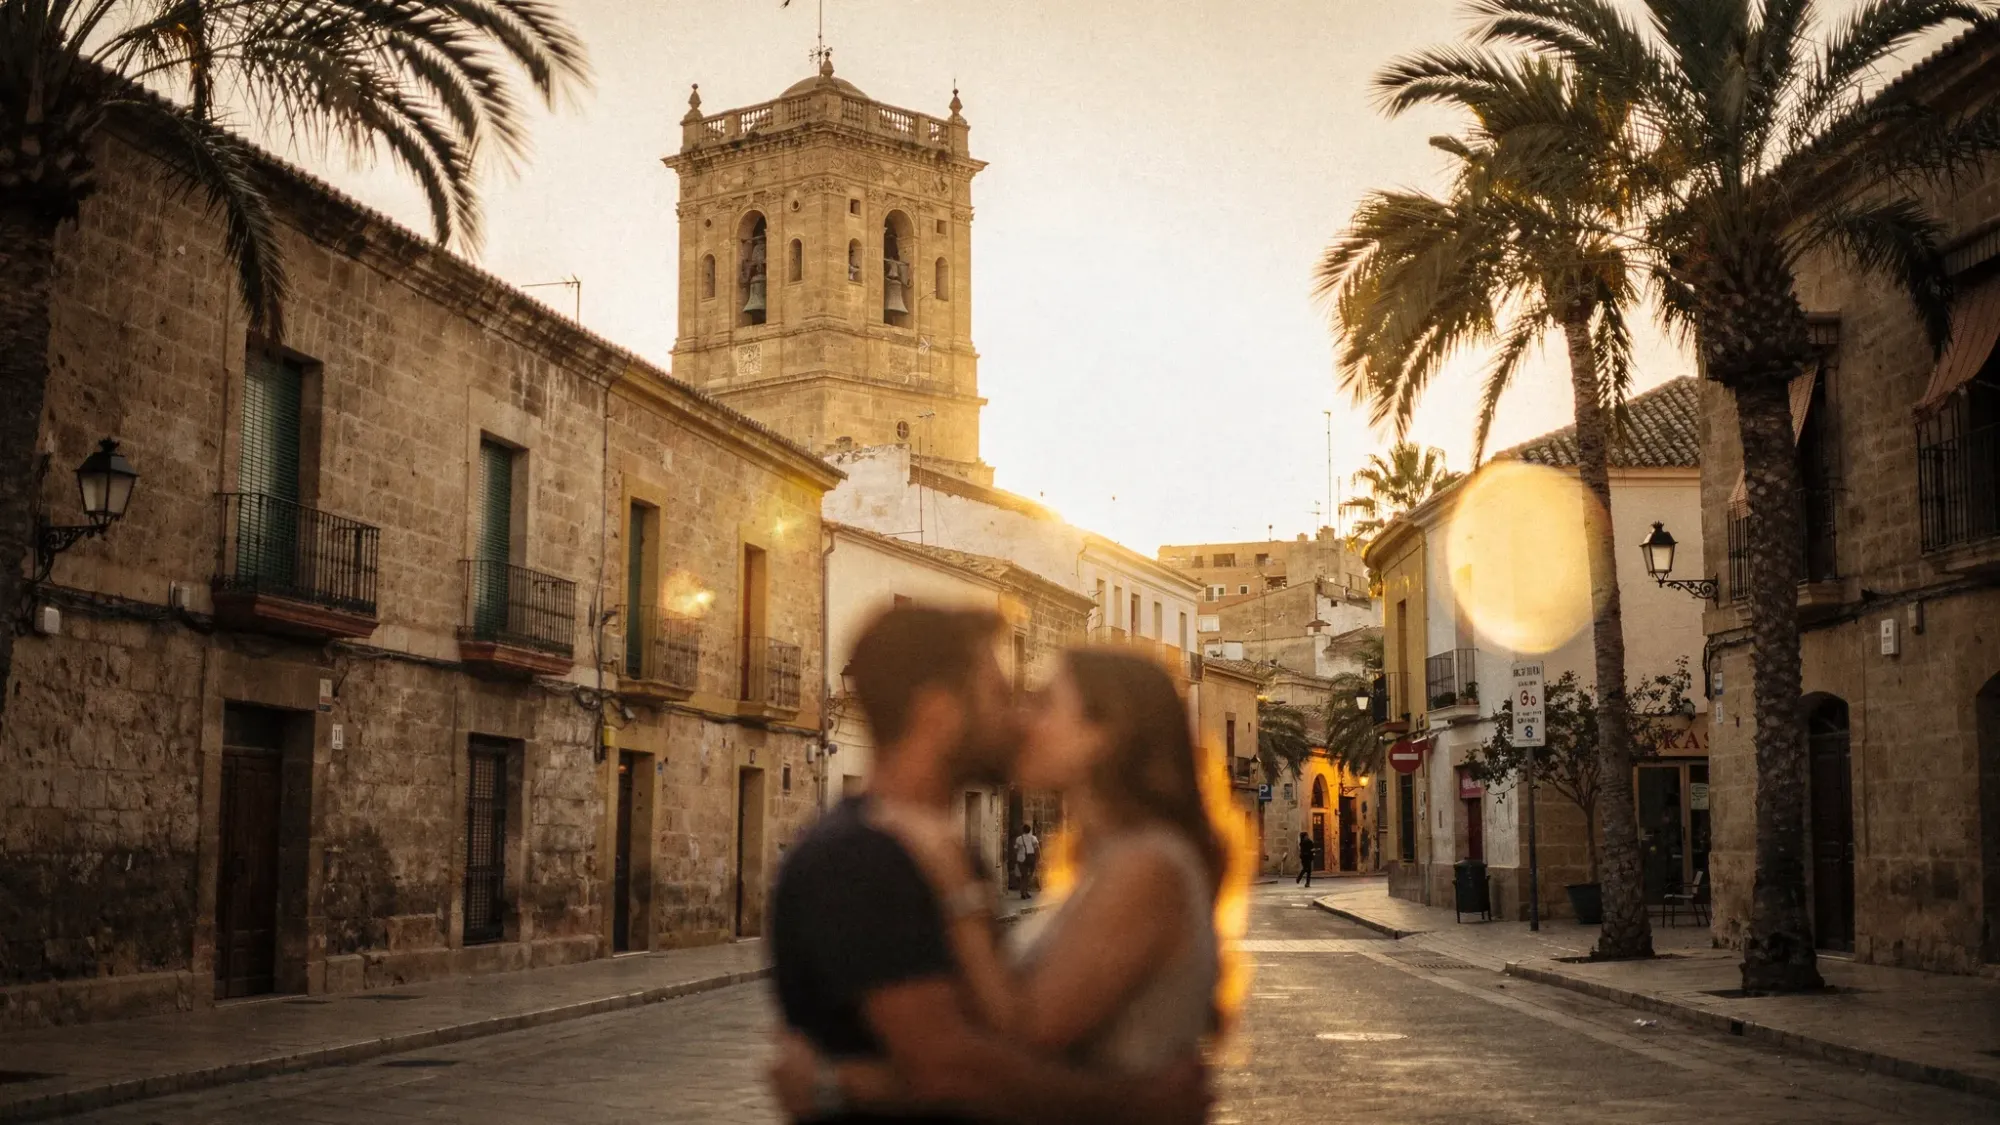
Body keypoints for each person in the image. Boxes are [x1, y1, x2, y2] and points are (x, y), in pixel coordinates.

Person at [768, 607, 1207, 1125]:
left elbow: (994, 1045)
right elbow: (955, 1066)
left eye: (1039, 703)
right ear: (939, 714)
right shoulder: (861, 858)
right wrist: (1134, 1104)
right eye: (1001, 696)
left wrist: (839, 1084)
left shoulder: (948, 855)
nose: (1018, 718)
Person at [1013, 823, 1041, 899]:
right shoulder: (1033, 838)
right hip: (1030, 858)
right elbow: (1037, 849)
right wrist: (1039, 858)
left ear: (1023, 830)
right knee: (1028, 876)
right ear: (1029, 830)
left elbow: (1015, 849)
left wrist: (1018, 854)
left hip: (1021, 859)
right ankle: (1024, 892)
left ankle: (1024, 891)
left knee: (1023, 876)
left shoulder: (1019, 839)